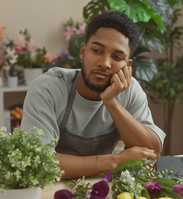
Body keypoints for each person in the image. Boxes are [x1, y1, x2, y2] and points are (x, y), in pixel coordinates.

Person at [21, 10, 165, 179]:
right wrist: (115, 161)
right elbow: (37, 163)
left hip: (101, 188)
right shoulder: (48, 88)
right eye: (97, 51)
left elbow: (152, 152)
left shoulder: (130, 90)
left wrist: (111, 102)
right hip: (49, 188)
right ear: (83, 51)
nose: (104, 63)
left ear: (127, 64)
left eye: (117, 57)